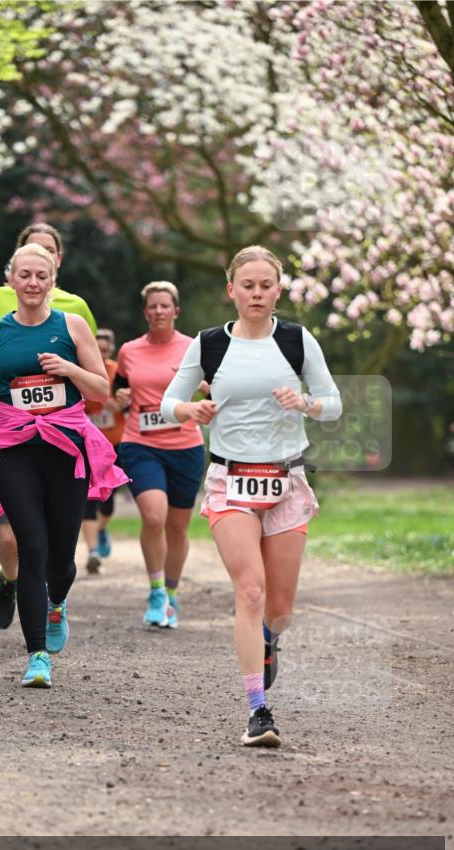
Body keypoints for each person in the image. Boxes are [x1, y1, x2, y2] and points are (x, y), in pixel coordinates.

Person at [161, 245, 341, 748]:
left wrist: (305, 402)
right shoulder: (209, 344)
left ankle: (268, 640)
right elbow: (169, 400)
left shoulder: (297, 340)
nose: (256, 293)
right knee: (251, 591)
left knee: (278, 607)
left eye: (266, 285)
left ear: (278, 290)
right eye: (248, 285)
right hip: (229, 479)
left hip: (286, 480)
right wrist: (189, 412)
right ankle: (258, 710)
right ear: (231, 290)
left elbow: (334, 404)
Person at [0, 243, 127, 688]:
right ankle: (37, 655)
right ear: (11, 280)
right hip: (14, 445)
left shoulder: (71, 325)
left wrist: (68, 370)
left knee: (60, 557)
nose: (33, 283)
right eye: (25, 275)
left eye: (41, 275)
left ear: (52, 280)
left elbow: (100, 389)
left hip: (65, 447)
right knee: (30, 548)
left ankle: (58, 602)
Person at [0, 223, 97, 630]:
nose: (34, 278)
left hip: (62, 434)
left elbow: (93, 377)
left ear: (56, 267)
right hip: (3, 430)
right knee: (15, 534)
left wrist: (71, 373)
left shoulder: (74, 311)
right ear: (12, 270)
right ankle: (13, 581)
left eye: (46, 260)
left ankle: (51, 595)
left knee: (55, 546)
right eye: (26, 266)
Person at [114, 281, 206, 628]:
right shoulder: (129, 350)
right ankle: (154, 591)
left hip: (185, 447)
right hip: (141, 444)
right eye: (152, 306)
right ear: (145, 311)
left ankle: (171, 594)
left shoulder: (194, 348)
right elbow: (118, 387)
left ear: (176, 310)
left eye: (164, 305)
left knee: (178, 528)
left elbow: (214, 384)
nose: (158, 311)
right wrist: (119, 398)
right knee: (154, 518)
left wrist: (204, 387)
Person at [81, 328, 126, 573]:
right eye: (97, 349)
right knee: (88, 497)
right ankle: (92, 551)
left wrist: (119, 404)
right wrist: (98, 403)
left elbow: (133, 400)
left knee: (108, 502)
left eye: (106, 350)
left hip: (115, 443)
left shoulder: (118, 371)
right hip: (88, 444)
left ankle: (100, 530)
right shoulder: (80, 371)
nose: (102, 353)